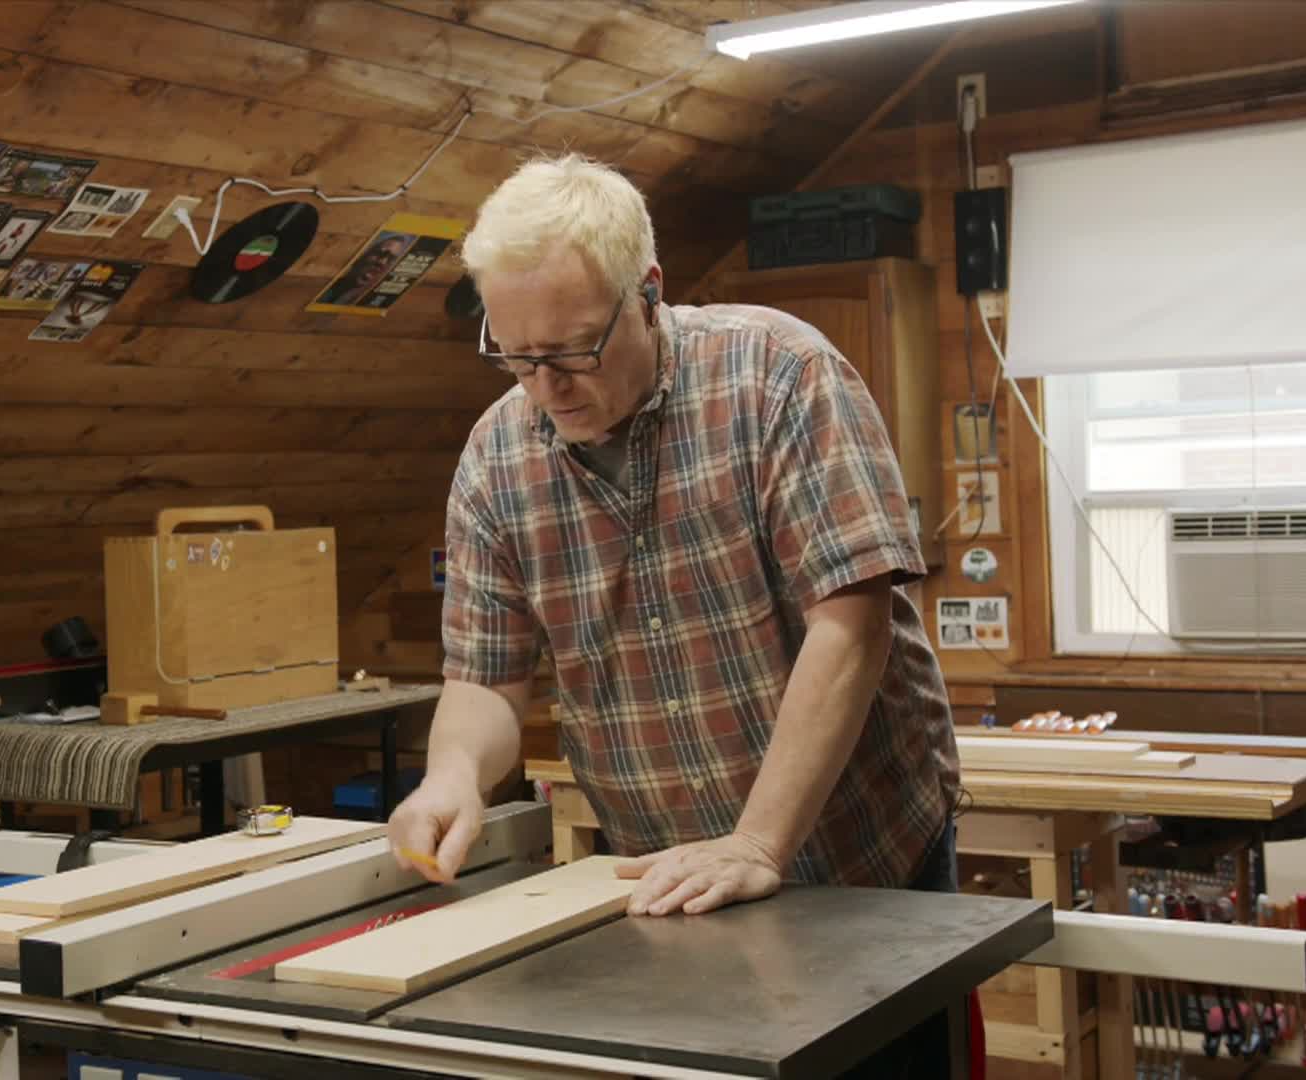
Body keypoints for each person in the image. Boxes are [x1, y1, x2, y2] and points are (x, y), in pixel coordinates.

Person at [392, 149, 962, 984]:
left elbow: (851, 625)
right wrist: (452, 776)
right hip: (671, 876)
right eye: (515, 355)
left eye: (573, 350)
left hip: (863, 852)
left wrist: (759, 841)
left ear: (648, 291)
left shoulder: (780, 376)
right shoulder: (495, 458)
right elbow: (486, 677)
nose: (544, 387)